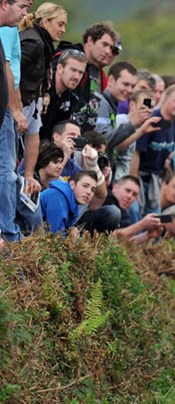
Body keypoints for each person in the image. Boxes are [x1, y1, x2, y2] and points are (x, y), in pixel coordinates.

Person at [18, 2, 66, 189]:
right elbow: (8, 73)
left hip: (28, 111)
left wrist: (29, 175)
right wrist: (14, 107)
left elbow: (34, 133)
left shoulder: (43, 45)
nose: (63, 29)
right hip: (13, 109)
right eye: (60, 24)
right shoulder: (33, 42)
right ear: (46, 22)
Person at [0, 0, 34, 243]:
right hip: (5, 112)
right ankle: (8, 231)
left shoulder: (8, 31)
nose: (26, 13)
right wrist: (14, 108)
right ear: (4, 4)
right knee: (6, 170)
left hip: (6, 109)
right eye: (23, 5)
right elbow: (8, 69)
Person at [129, 83, 175, 215]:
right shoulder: (152, 119)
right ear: (166, 98)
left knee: (154, 220)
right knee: (135, 214)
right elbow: (136, 153)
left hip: (155, 181)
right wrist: (133, 184)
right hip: (140, 177)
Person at [39, 47, 85, 140]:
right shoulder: (42, 88)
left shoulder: (72, 98)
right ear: (60, 68)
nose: (77, 76)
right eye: (73, 70)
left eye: (80, 72)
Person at [39, 168, 97, 235]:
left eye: (93, 190)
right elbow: (55, 237)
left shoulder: (70, 203)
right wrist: (71, 238)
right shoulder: (58, 198)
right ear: (72, 185)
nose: (89, 192)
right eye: (85, 186)